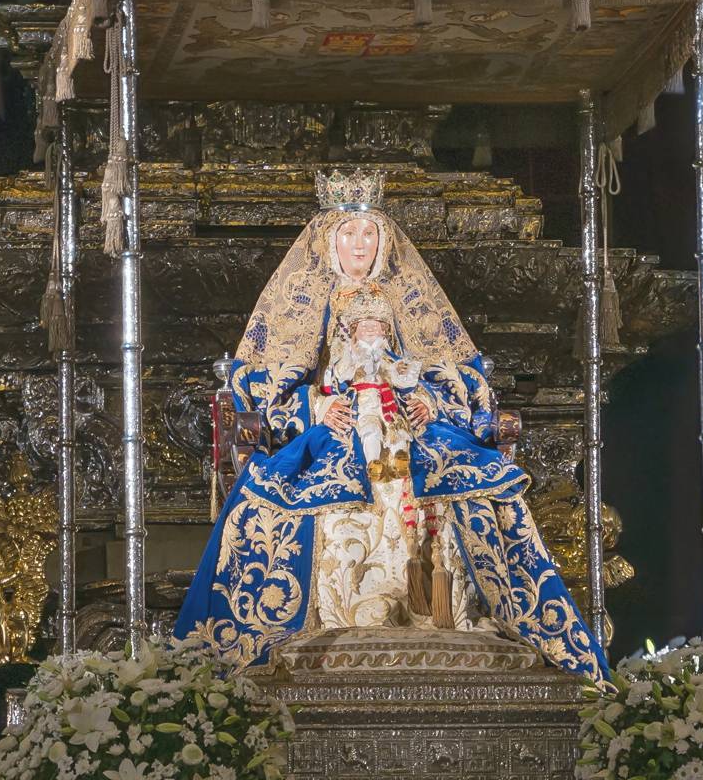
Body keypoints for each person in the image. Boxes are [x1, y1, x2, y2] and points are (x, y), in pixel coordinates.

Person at [175, 167, 605, 680]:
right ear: (329, 242)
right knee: (269, 496)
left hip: (408, 429)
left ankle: (439, 607)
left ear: (384, 242)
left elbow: (454, 379)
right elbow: (262, 390)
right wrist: (316, 406)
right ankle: (335, 613)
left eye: (369, 233)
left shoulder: (407, 300)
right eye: (349, 233)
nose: (360, 244)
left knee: (475, 480)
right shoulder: (301, 303)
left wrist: (429, 402)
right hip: (335, 430)